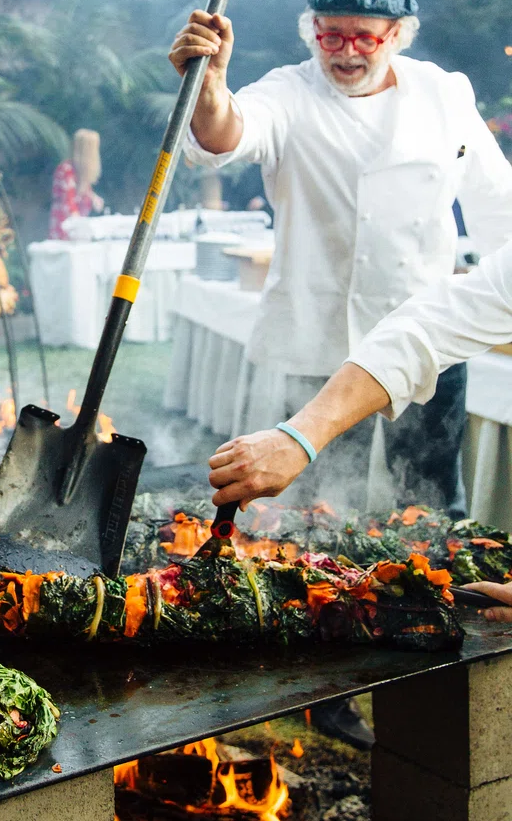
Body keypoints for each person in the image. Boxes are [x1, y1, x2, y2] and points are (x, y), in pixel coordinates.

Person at [170, 0, 512, 518]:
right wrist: (210, 86)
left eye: (365, 37)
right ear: (312, 33)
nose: (346, 51)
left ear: (396, 36)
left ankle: (430, 590)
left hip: (429, 333)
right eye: (332, 35)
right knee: (319, 503)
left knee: (427, 501)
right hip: (317, 335)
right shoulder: (287, 91)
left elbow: (498, 202)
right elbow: (225, 135)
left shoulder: (445, 94)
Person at [207, 238, 512, 621]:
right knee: (324, 510)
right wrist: (300, 437)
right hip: (335, 336)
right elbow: (432, 326)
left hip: (407, 314)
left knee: (435, 510)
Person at [49, 128, 104, 239]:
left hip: (77, 231)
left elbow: (87, 196)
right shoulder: (66, 170)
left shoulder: (81, 174)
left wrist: (94, 199)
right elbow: (68, 203)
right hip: (64, 230)